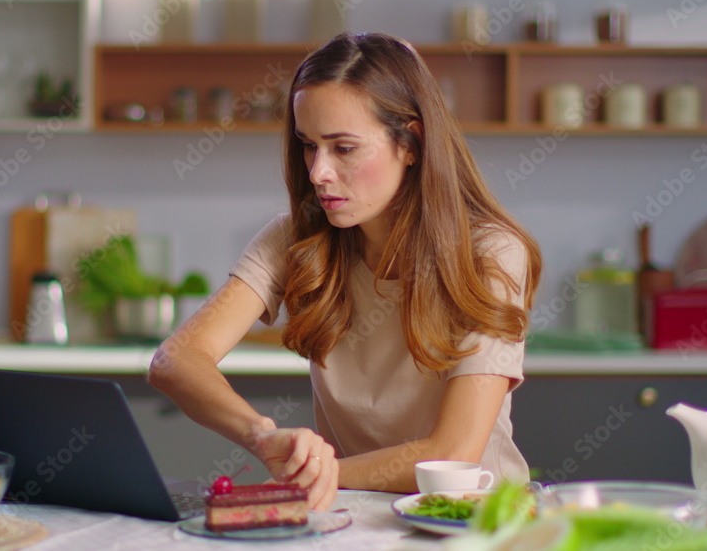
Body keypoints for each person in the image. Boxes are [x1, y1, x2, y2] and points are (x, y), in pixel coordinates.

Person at [148, 32, 542, 510]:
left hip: (475, 524)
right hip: (356, 515)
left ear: (411, 143)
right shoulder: (296, 237)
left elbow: (453, 454)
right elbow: (175, 361)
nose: (318, 172)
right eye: (309, 146)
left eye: (344, 148)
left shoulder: (490, 253)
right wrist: (263, 436)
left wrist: (317, 472)